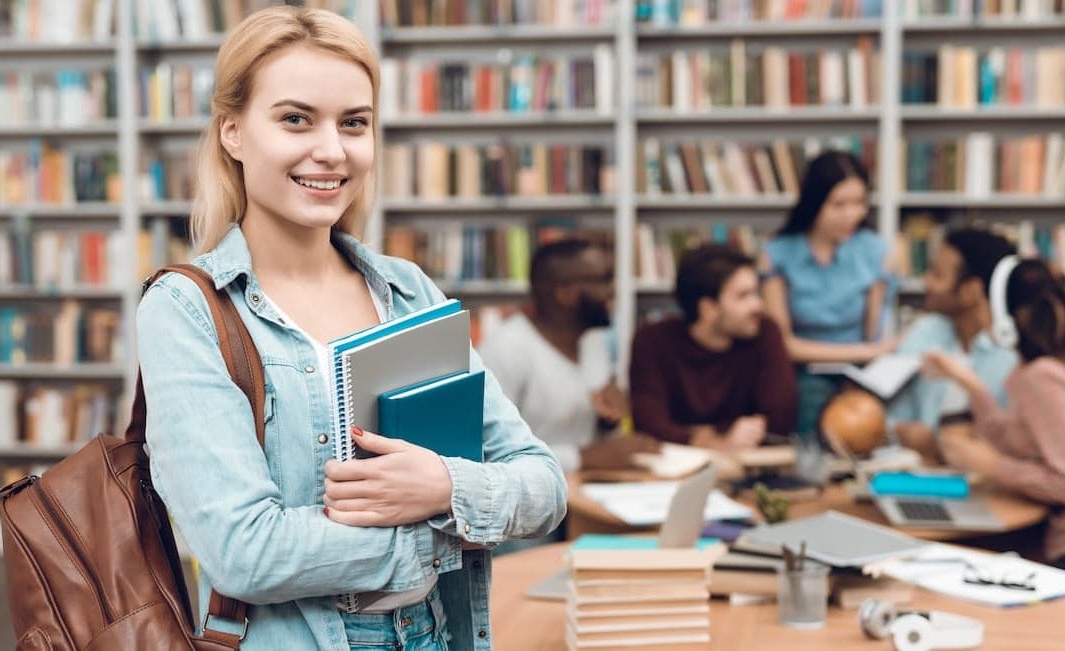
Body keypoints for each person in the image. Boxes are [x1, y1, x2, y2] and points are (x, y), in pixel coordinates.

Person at [135, 8, 566, 650]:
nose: (332, 150)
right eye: (296, 119)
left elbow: (544, 483)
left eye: (354, 123)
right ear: (233, 132)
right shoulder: (187, 309)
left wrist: (443, 486)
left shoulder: (408, 291)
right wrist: (445, 523)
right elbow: (245, 553)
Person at [922, 258, 1065, 570]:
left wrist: (992, 465)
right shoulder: (1044, 369)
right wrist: (971, 384)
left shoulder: (1042, 377)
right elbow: (1021, 442)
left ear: (1004, 318)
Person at [479, 238, 660, 473]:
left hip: (592, 487)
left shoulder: (593, 343)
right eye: (604, 279)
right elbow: (489, 454)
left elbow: (585, 432)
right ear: (565, 293)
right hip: (537, 494)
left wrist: (608, 421)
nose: (613, 290)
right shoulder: (505, 350)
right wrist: (583, 458)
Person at [759, 150, 898, 437]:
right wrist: (866, 352)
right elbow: (782, 343)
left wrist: (869, 357)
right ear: (814, 203)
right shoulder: (777, 253)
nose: (851, 215)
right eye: (838, 205)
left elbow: (874, 333)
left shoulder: (875, 250)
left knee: (873, 416)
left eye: (859, 203)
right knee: (812, 403)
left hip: (861, 369)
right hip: (803, 369)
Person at [630, 244, 798, 451]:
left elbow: (781, 420)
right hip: (677, 462)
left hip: (749, 462)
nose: (758, 305)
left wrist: (696, 434)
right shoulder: (652, 340)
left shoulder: (764, 332)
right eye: (743, 296)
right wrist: (718, 440)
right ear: (708, 308)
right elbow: (649, 426)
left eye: (756, 293)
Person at [887, 228, 1019, 460]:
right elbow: (893, 414)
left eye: (937, 275)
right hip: (914, 469)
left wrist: (936, 446)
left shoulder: (1014, 356)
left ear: (972, 291)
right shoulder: (925, 331)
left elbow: (1013, 442)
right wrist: (899, 431)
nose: (926, 281)